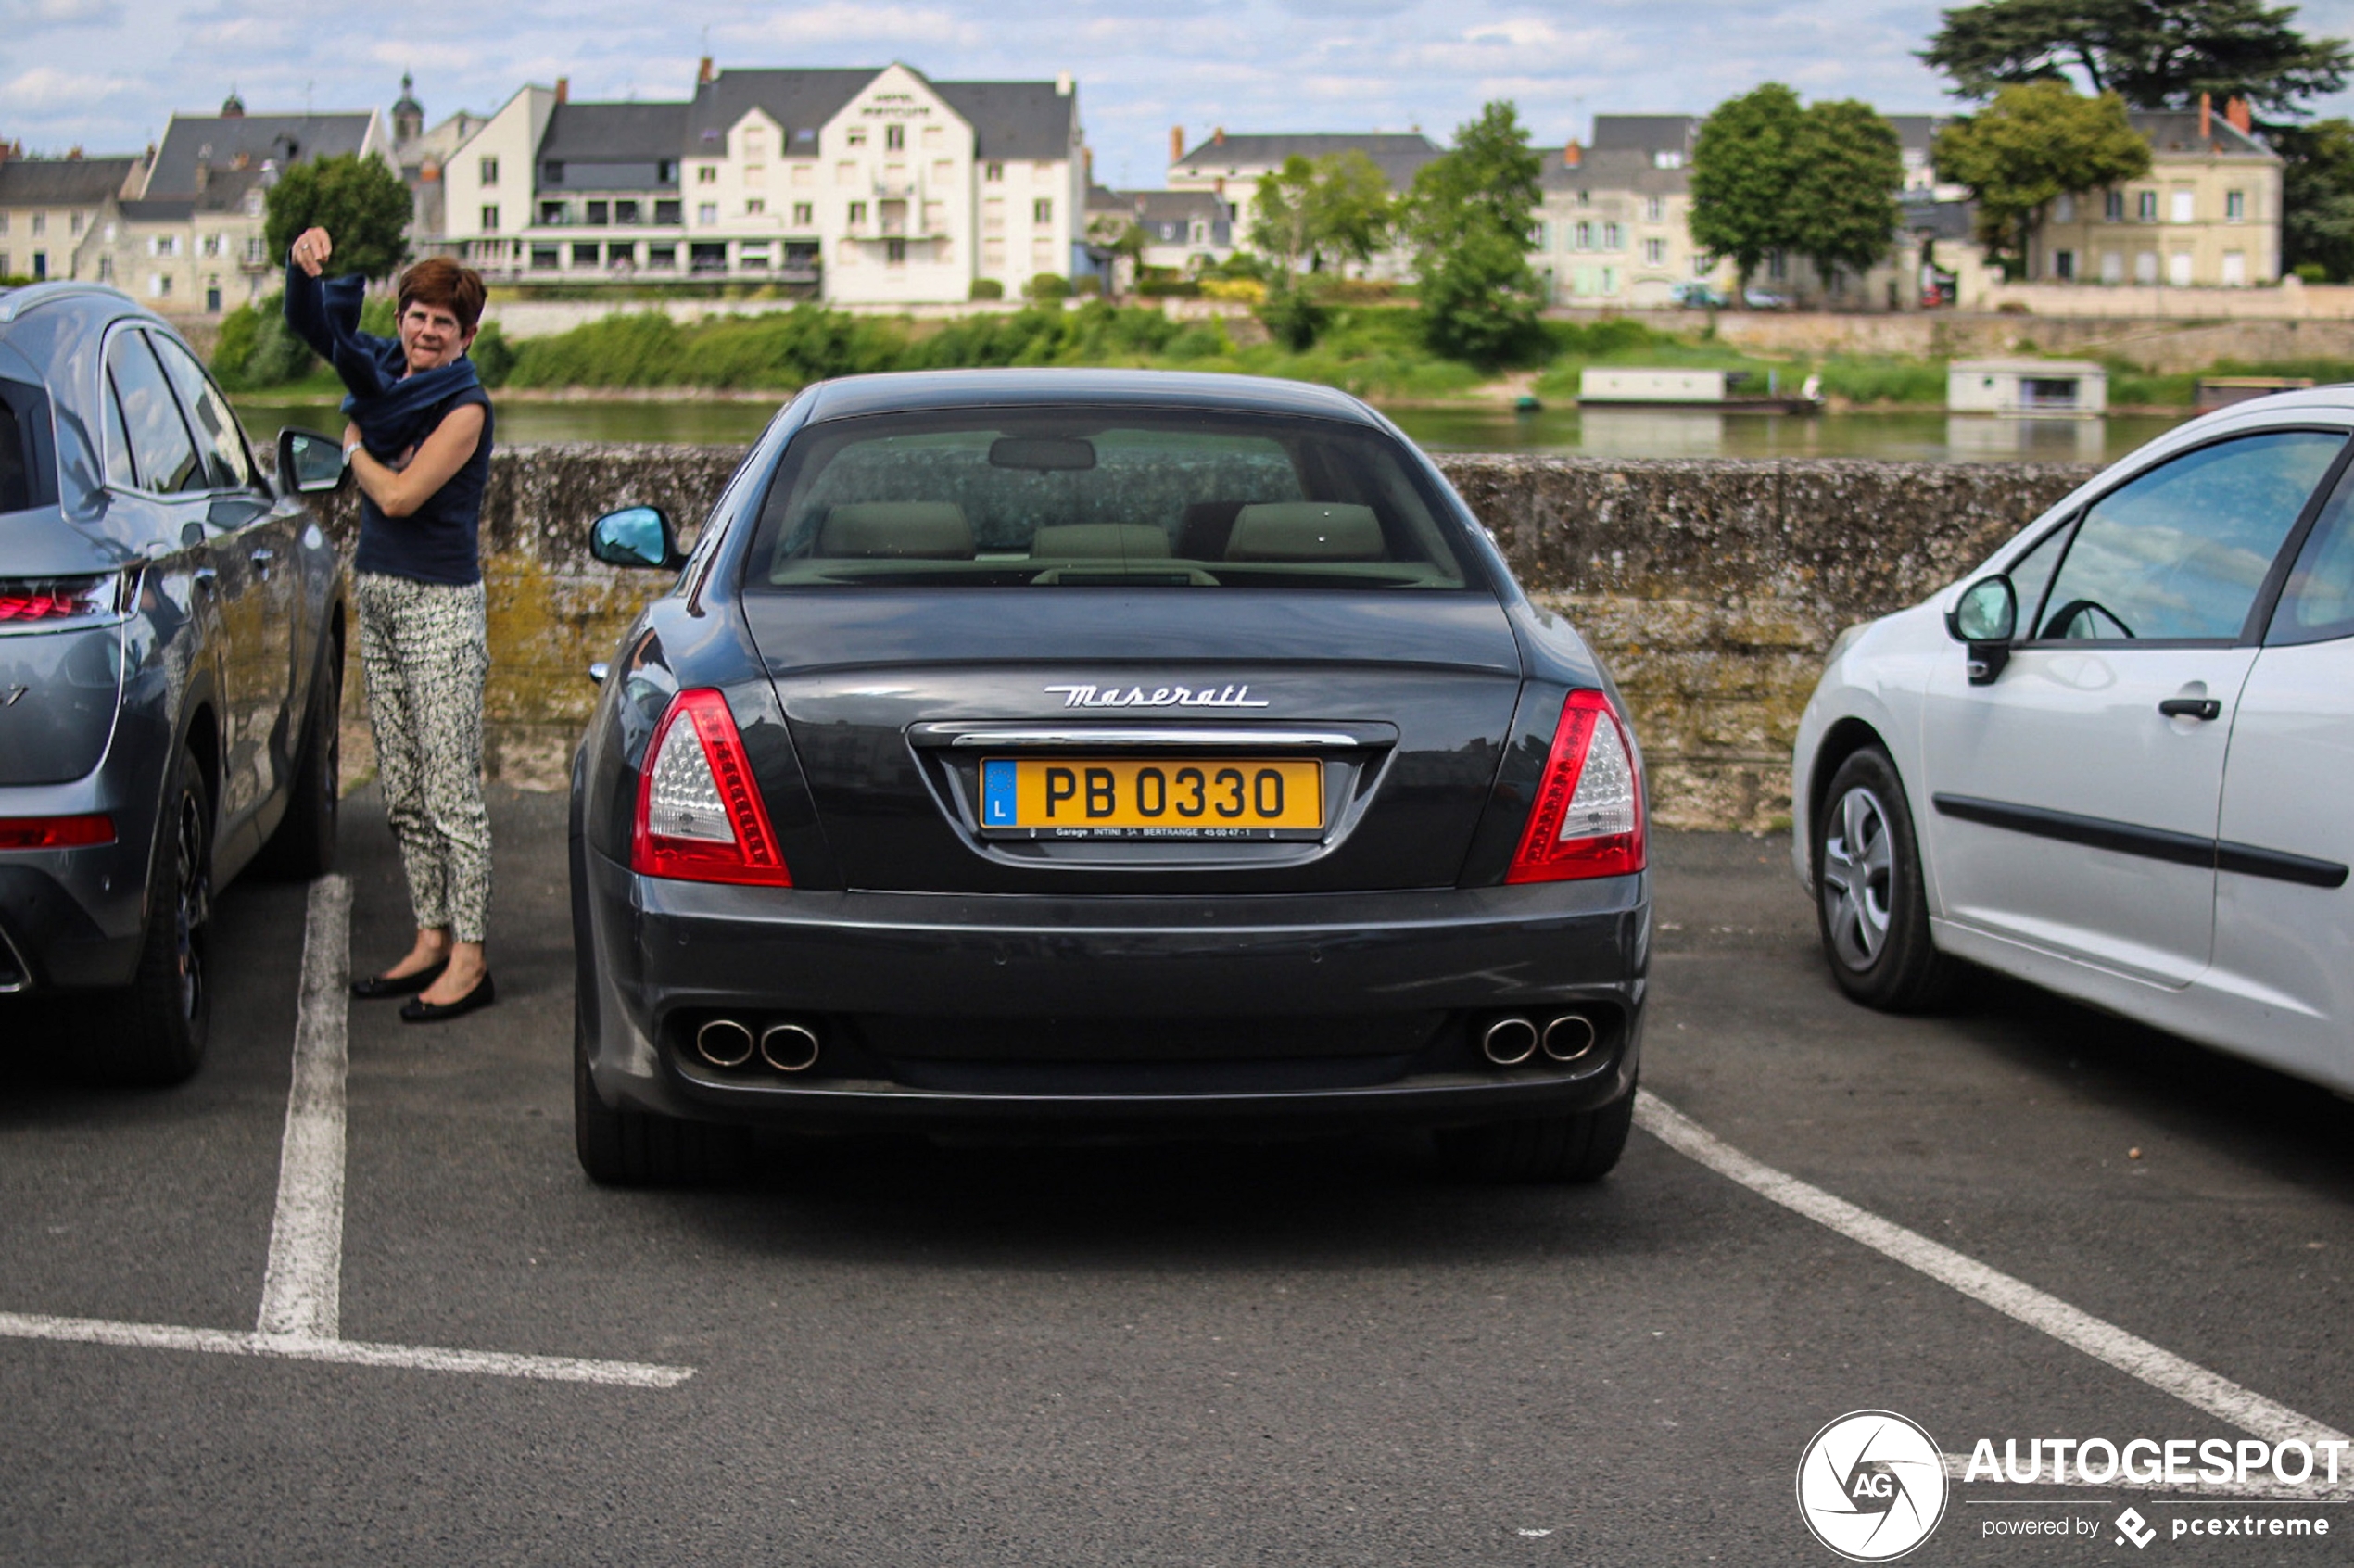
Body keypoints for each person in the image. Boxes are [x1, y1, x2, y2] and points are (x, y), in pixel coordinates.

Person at [284, 228, 497, 1022]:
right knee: (404, 789)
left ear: (467, 336)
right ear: (400, 318)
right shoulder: (377, 376)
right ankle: (430, 936)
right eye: (417, 314)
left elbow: (401, 496)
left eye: (445, 321)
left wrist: (351, 451)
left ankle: (472, 958)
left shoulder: (465, 406)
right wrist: (305, 271)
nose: (427, 329)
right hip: (379, 595)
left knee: (450, 793)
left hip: (441, 608)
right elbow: (319, 330)